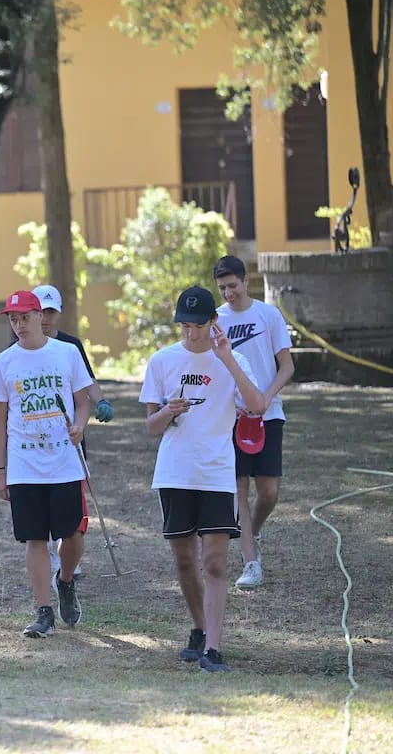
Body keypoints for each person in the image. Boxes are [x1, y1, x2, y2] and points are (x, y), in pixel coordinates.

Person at [140, 285, 265, 674]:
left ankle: (213, 647)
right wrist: (168, 412)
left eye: (198, 326)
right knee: (183, 561)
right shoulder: (162, 361)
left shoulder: (233, 359)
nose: (191, 333)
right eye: (184, 326)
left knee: (213, 563)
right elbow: (151, 426)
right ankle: (198, 628)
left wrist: (226, 359)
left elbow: (258, 405)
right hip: (176, 472)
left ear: (214, 322)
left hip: (215, 472)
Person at [0, 291, 93, 640]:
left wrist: (80, 424)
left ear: (39, 316)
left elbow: (82, 401)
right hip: (24, 464)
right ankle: (43, 611)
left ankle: (64, 580)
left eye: (24, 317)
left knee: (73, 534)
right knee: (34, 537)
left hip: (64, 460)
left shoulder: (66, 353)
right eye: (13, 319)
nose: (19, 325)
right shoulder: (3, 363)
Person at [213, 256, 294, 589]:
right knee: (239, 489)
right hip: (233, 418)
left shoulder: (268, 315)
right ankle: (250, 562)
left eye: (234, 286)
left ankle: (254, 531)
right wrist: (234, 406)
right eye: (223, 288)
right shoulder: (216, 319)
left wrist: (265, 397)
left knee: (269, 491)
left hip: (268, 414)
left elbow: (286, 367)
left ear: (247, 282)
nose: (229, 293)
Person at [30, 283, 113, 578]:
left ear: (59, 314)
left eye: (51, 312)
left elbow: (85, 380)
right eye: (40, 311)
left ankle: (66, 558)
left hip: (69, 437)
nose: (45, 318)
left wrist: (100, 401)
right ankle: (50, 555)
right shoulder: (22, 347)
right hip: (36, 439)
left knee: (70, 503)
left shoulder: (71, 346)